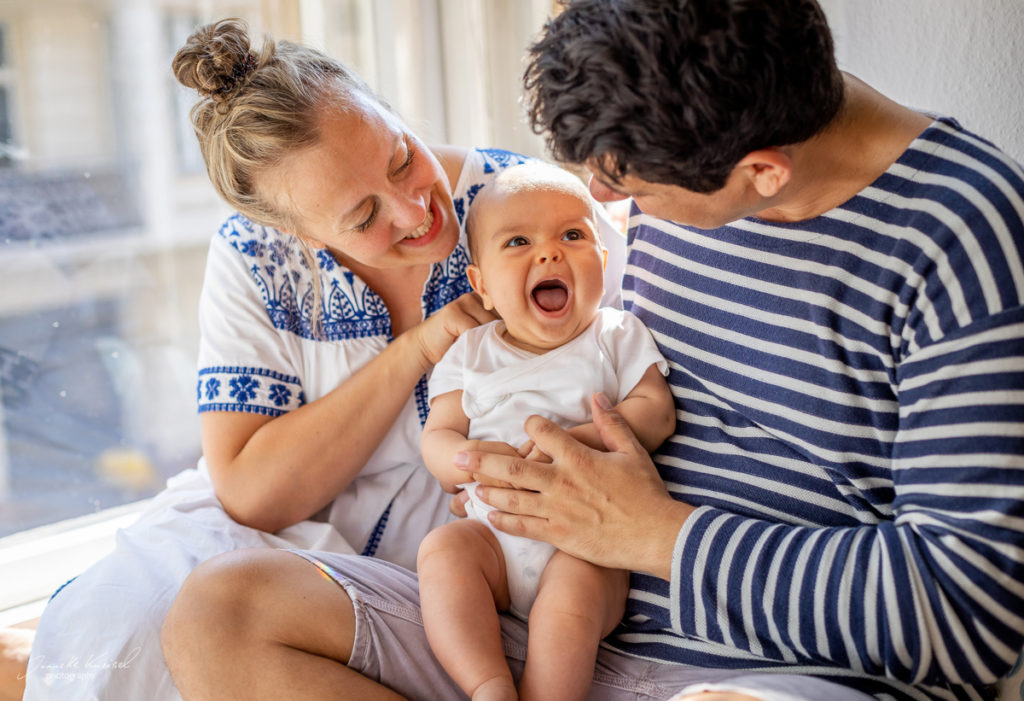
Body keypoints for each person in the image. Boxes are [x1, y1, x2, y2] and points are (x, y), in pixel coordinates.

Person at [160, 1, 1024, 700]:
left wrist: (656, 535)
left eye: (625, 190)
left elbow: (971, 614)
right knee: (220, 616)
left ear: (762, 174)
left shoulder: (962, 239)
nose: (608, 212)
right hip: (539, 626)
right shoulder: (684, 132)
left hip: (770, 670)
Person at [15, 17, 631, 701]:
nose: (413, 209)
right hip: (283, 533)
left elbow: (622, 359)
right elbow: (251, 490)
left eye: (402, 157)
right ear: (294, 232)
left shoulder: (527, 208)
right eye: (363, 215)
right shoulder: (256, 255)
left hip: (475, 550)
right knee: (117, 634)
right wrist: (417, 349)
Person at [417, 162, 675, 701]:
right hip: (491, 536)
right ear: (482, 284)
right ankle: (487, 684)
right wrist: (466, 458)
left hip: (588, 540)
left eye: (574, 235)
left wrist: (586, 439)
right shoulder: (470, 352)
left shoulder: (616, 333)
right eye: (517, 241)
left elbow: (657, 410)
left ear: (603, 264)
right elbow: (437, 437)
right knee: (442, 553)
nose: (550, 252)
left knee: (569, 607)